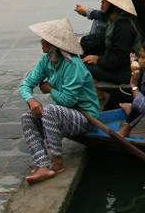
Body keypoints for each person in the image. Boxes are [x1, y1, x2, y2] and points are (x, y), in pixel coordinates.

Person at [19, 18, 100, 184]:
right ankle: (43, 165)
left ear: (54, 44)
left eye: (45, 39)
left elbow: (68, 100)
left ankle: (57, 160)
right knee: (27, 117)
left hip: (86, 117)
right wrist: (31, 100)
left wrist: (49, 89)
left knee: (49, 110)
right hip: (64, 116)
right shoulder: (46, 61)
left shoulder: (73, 65)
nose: (41, 42)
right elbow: (26, 85)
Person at [82, 0, 143, 84]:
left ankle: (98, 91)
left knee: (82, 65)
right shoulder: (114, 19)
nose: (102, 3)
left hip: (126, 72)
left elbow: (121, 59)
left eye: (105, 1)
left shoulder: (123, 26)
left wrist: (98, 60)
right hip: (116, 63)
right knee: (84, 54)